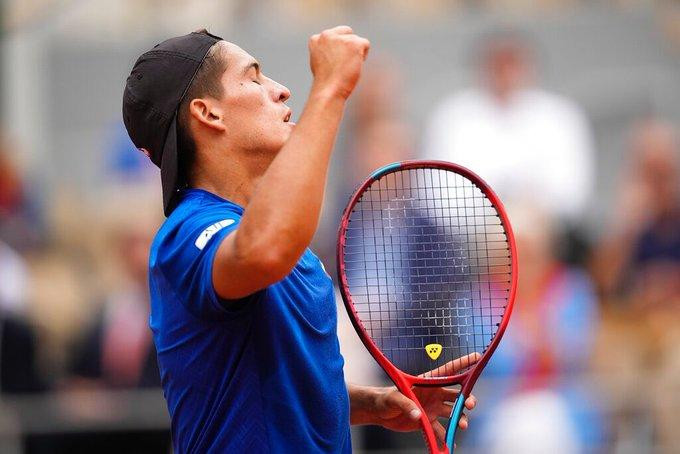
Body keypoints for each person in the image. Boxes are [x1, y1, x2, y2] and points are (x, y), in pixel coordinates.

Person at [122, 27, 477, 453]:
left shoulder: (270, 233)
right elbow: (265, 250)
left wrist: (369, 402)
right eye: (254, 77)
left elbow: (266, 384)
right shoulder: (188, 231)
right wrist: (329, 90)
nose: (282, 90)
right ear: (208, 113)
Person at [423, 31, 595, 225]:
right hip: (469, 235)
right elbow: (436, 196)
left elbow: (572, 194)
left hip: (548, 231)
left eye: (513, 63)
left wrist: (528, 211)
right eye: (497, 63)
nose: (506, 72)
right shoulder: (450, 116)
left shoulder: (562, 115)